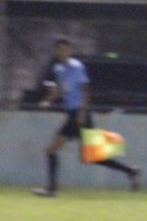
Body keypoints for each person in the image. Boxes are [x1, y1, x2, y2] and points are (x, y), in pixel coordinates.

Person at [32, 36, 141, 197]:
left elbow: (85, 90)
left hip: (79, 114)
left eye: (64, 48)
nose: (61, 51)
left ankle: (51, 189)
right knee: (91, 156)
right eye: (58, 49)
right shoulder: (59, 69)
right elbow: (59, 88)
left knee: (52, 151)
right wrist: (47, 101)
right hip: (73, 114)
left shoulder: (76, 67)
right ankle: (131, 171)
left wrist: (83, 112)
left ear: (69, 50)